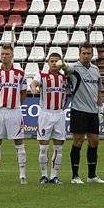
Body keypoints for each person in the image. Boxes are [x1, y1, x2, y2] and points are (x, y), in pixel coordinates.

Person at [60, 43, 104, 184]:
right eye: (83, 53)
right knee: (78, 141)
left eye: (88, 53)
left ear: (92, 55)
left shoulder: (96, 69)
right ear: (79, 54)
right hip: (78, 110)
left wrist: (101, 108)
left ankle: (92, 176)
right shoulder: (74, 68)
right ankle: (75, 176)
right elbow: (65, 69)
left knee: (94, 142)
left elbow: (98, 90)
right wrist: (61, 63)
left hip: (93, 112)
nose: (86, 56)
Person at [0, 45, 28, 184]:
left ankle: (22, 175)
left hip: (14, 111)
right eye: (3, 54)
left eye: (7, 54)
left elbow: (23, 91)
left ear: (12, 55)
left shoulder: (20, 73)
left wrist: (16, 103)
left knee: (19, 142)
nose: (5, 56)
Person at [30, 52, 67, 184]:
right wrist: (34, 88)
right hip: (46, 114)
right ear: (48, 62)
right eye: (51, 61)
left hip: (59, 114)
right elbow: (34, 83)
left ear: (60, 63)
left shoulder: (65, 77)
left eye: (56, 61)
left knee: (59, 147)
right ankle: (44, 175)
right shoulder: (42, 75)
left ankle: (54, 176)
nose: (54, 63)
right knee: (43, 147)